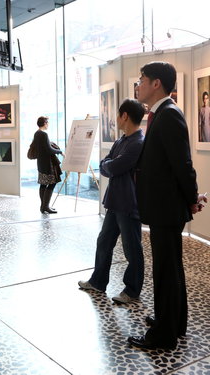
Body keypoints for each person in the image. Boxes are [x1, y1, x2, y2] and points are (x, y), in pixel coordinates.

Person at [128, 61, 207, 350]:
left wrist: (190, 198)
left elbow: (183, 166)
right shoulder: (161, 114)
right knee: (170, 268)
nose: (138, 84)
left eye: (142, 79)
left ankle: (163, 335)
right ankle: (173, 320)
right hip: (163, 207)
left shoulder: (169, 115)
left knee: (165, 270)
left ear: (156, 83)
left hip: (165, 209)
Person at [78, 99, 146, 304]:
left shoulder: (138, 143)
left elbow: (112, 167)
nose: (116, 118)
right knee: (104, 242)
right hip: (115, 202)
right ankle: (98, 282)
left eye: (118, 114)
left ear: (125, 116)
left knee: (131, 248)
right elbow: (105, 164)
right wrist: (109, 165)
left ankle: (132, 291)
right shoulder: (121, 140)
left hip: (128, 203)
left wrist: (109, 165)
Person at [33, 116, 63, 214]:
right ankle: (45, 206)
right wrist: (60, 151)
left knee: (43, 184)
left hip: (41, 163)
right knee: (52, 183)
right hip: (47, 164)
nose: (48, 125)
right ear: (45, 123)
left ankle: (43, 206)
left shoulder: (36, 133)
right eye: (47, 123)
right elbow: (49, 150)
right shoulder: (43, 134)